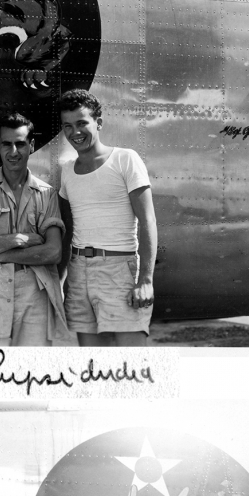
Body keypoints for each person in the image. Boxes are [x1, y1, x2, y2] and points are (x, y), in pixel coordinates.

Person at [0, 112, 73, 346]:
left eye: (20, 144)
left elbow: (53, 253)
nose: (13, 152)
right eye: (7, 144)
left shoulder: (47, 194)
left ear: (31, 146)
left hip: (34, 293)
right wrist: (18, 239)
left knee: (29, 372)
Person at [58, 89, 158, 345]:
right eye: (68, 126)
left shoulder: (125, 159)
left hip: (118, 269)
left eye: (82, 123)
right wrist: (61, 280)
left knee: (129, 363)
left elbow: (147, 221)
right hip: (79, 272)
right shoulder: (67, 172)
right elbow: (68, 231)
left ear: (99, 123)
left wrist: (145, 280)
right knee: (94, 364)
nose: (75, 132)